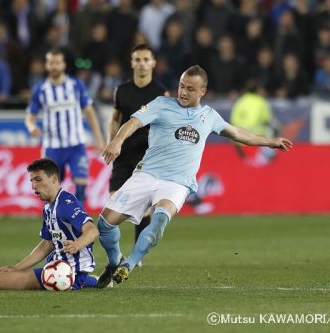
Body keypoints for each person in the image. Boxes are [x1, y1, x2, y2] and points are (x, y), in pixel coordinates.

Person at [96, 65, 293, 288]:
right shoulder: (161, 104)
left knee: (159, 220)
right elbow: (132, 123)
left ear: (203, 91)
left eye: (190, 88)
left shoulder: (209, 116)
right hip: (146, 175)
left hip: (177, 183)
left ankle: (129, 264)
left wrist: (270, 141)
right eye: (181, 86)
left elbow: (237, 133)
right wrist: (117, 141)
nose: (183, 92)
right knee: (104, 224)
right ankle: (114, 262)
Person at [0, 158, 100, 290]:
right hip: (56, 266)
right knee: (1, 276)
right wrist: (16, 268)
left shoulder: (66, 204)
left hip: (68, 272)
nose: (33, 186)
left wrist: (76, 245)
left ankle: (87, 280)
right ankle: (93, 281)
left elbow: (92, 230)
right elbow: (47, 244)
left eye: (38, 179)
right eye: (31, 180)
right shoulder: (49, 206)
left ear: (54, 179)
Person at [108, 44, 168, 264]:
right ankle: (114, 254)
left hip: (147, 157)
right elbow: (115, 117)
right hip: (123, 155)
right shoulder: (121, 91)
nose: (142, 64)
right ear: (132, 63)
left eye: (145, 59)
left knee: (143, 208)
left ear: (153, 63)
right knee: (114, 203)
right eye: (137, 60)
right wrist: (112, 141)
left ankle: (137, 254)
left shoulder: (160, 93)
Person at [25, 48, 105, 205]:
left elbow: (89, 112)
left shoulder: (76, 85)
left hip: (76, 145)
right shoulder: (41, 90)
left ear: (63, 65)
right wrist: (31, 126)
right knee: (50, 191)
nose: (55, 66)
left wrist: (99, 138)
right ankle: (55, 225)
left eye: (58, 63)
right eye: (51, 63)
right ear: (47, 65)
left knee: (81, 186)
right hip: (52, 147)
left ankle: (78, 225)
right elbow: (30, 116)